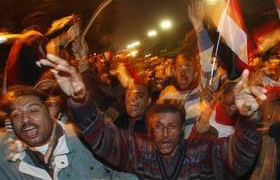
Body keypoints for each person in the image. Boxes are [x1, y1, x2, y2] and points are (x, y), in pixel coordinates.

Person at [37, 53, 267, 180]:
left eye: (172, 126)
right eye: (159, 126)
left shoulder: (202, 151)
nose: (165, 133)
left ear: (182, 130)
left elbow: (237, 160)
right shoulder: (140, 152)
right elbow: (105, 140)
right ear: (149, 129)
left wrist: (249, 120)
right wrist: (79, 100)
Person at [0, 85, 114, 179]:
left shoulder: (87, 139)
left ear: (51, 110)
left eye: (33, 110)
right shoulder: (8, 156)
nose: (25, 119)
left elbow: (125, 172)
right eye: (16, 115)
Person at [159, 1, 216, 138]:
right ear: (173, 71)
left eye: (188, 67)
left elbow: (208, 64)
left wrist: (199, 27)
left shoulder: (202, 89)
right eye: (179, 67)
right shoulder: (167, 94)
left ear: (196, 71)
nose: (182, 71)